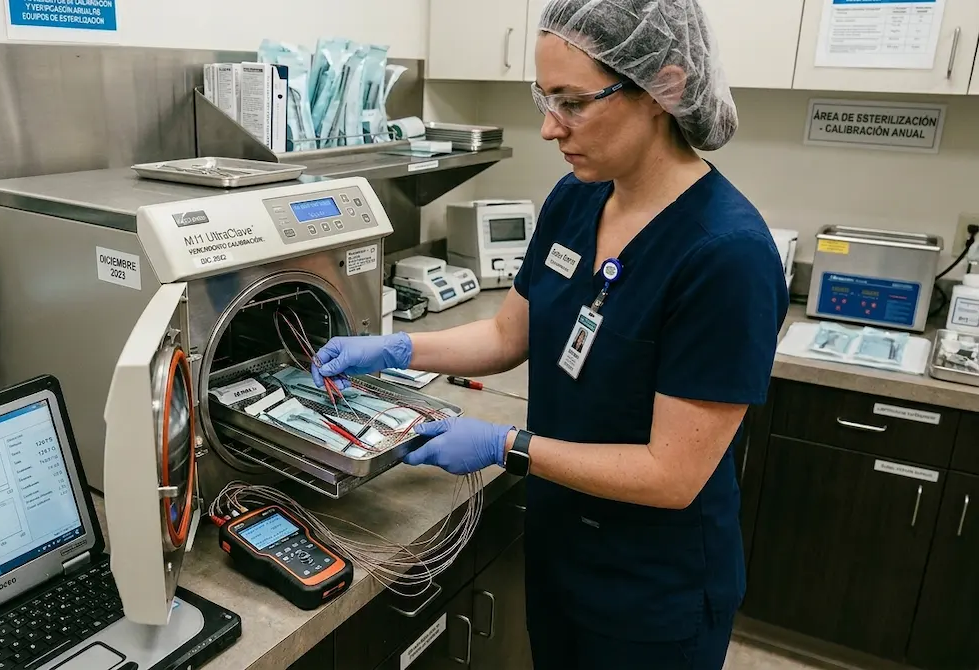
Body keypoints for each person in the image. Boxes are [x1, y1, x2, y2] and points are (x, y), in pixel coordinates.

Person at [311, 0, 789, 667]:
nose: (548, 127)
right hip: (562, 551)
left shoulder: (726, 255)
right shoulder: (576, 198)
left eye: (573, 102)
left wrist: (505, 444)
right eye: (545, 99)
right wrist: (393, 350)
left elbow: (672, 474)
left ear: (664, 87)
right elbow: (508, 335)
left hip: (652, 593)